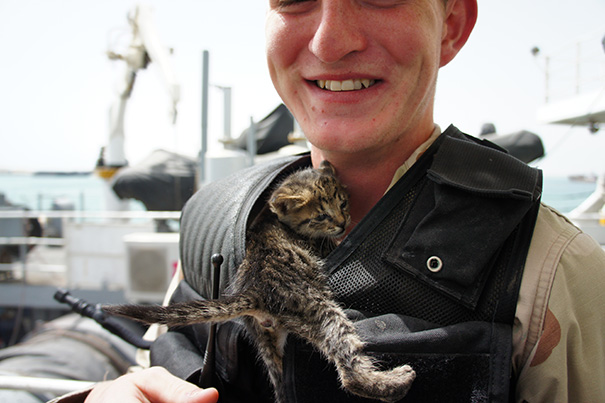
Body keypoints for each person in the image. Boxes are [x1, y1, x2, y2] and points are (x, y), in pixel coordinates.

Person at [52, 0, 605, 402]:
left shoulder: (555, 272)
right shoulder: (215, 225)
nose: (329, 41)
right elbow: (163, 366)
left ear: (452, 24)